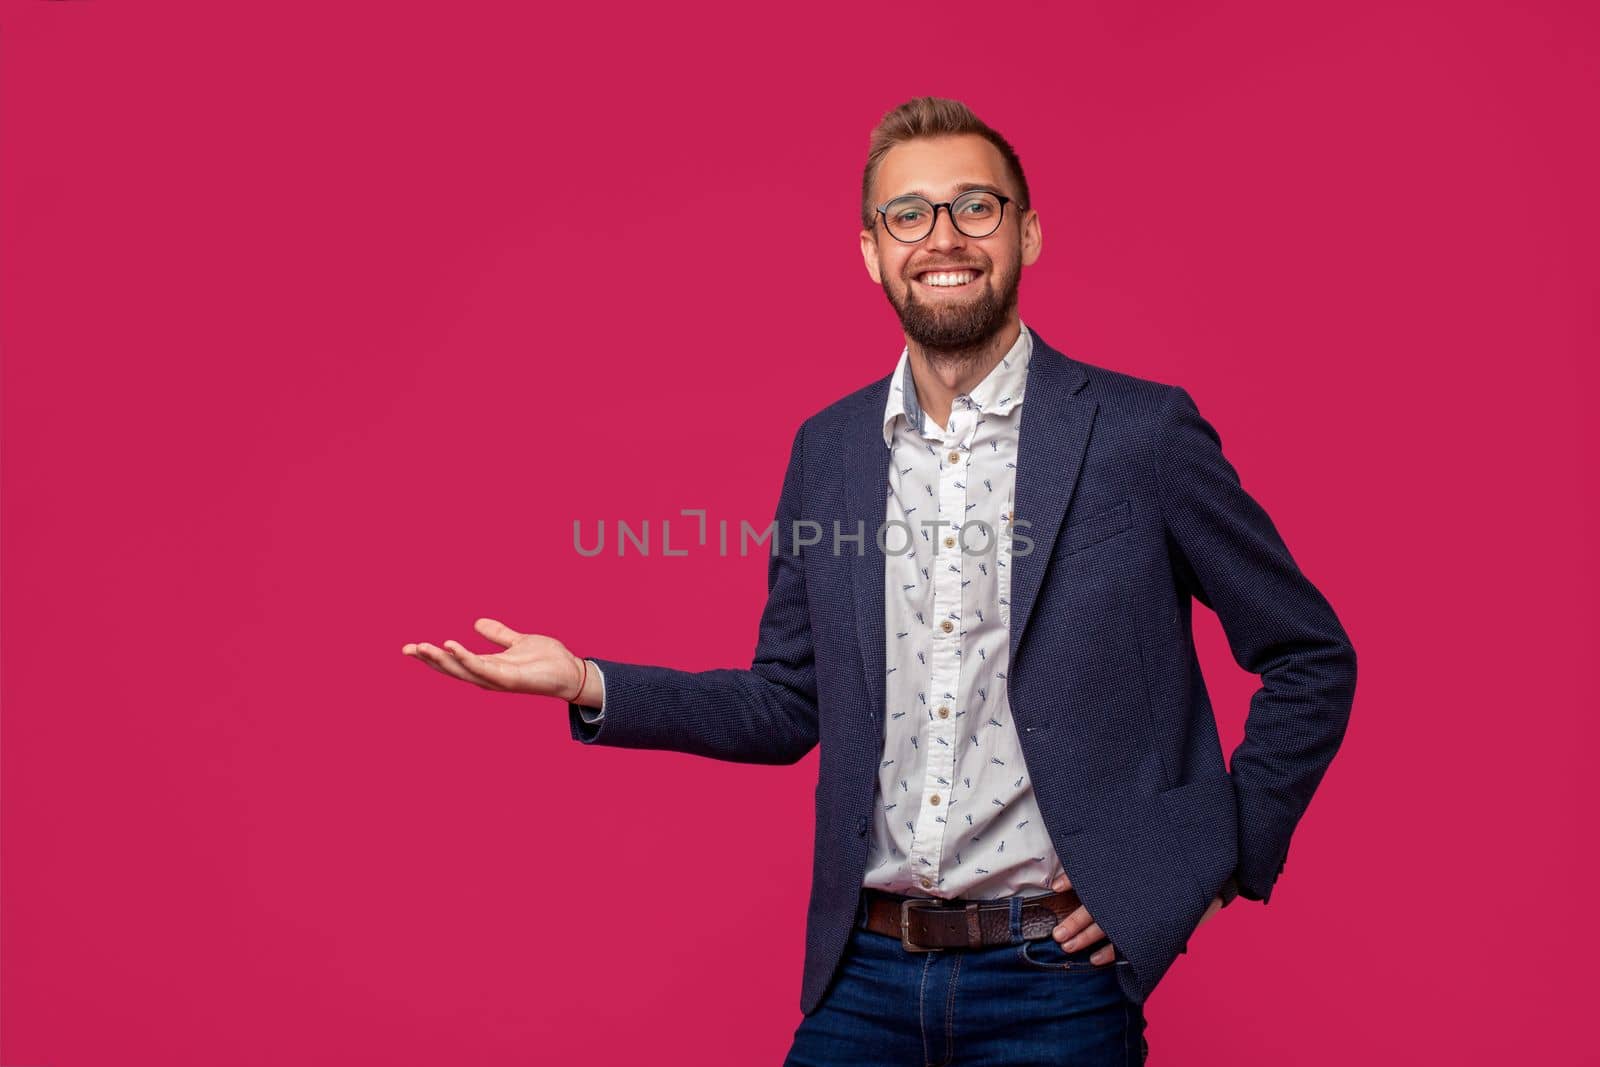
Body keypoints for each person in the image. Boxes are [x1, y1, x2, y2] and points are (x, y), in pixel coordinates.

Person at [401, 96, 1357, 1065]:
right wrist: (589, 681)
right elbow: (784, 702)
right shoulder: (830, 451)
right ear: (870, 250)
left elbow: (1309, 653)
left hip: (1055, 990)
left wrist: (1198, 863)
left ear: (1026, 230)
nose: (943, 237)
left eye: (974, 207)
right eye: (909, 214)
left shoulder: (1140, 436)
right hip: (862, 972)